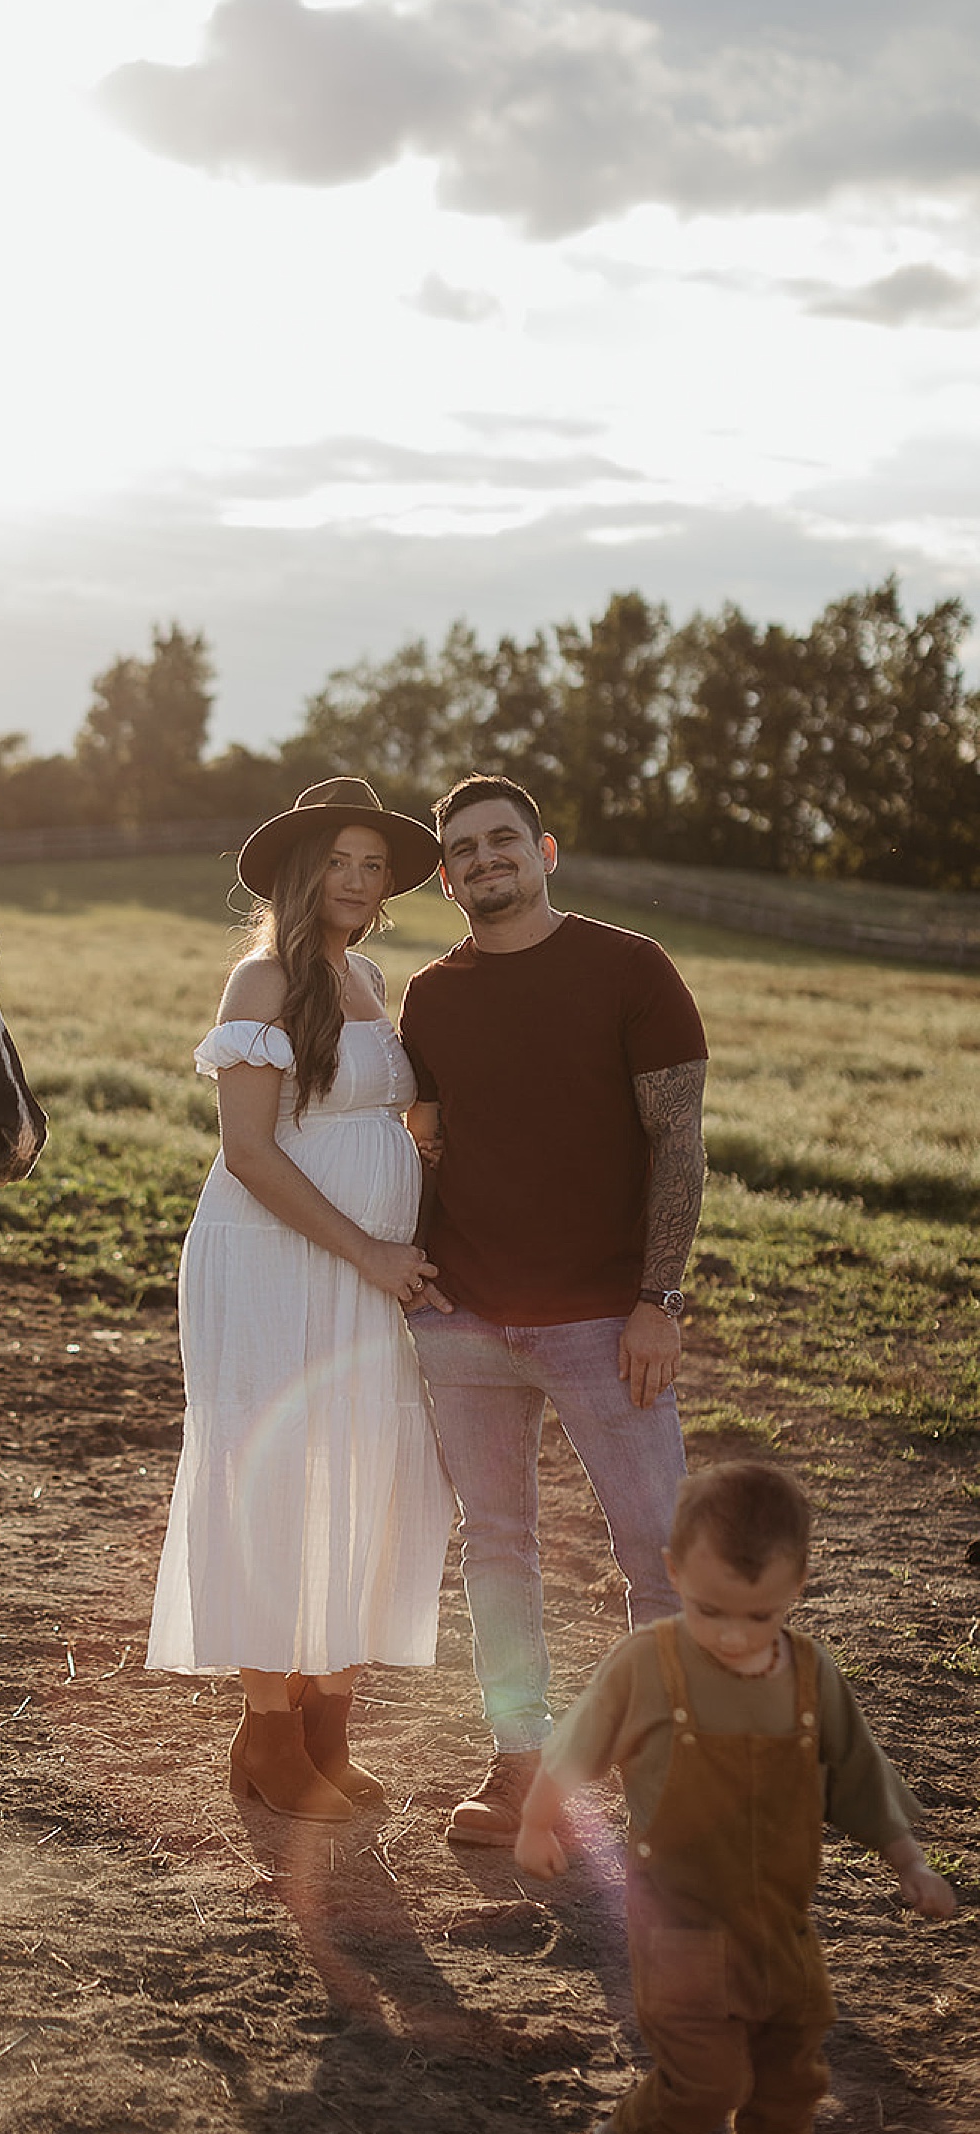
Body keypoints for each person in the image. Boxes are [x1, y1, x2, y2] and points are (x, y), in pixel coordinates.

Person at [399, 773, 708, 1845]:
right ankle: (518, 1762)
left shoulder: (631, 967)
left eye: (503, 841)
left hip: (600, 1321)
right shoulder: (430, 997)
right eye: (465, 851)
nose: (486, 860)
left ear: (546, 850)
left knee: (654, 1552)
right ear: (445, 878)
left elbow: (679, 1141)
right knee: (496, 1546)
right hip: (465, 1320)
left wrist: (656, 1301)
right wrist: (416, 1273)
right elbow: (426, 1144)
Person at [147, 778, 455, 1821]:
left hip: (366, 1263)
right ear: (300, 870)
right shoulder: (260, 981)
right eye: (341, 861)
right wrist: (369, 1247)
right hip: (273, 1251)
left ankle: (330, 1724)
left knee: (356, 1468)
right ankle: (269, 1731)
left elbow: (380, 1111)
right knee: (273, 1469)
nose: (361, 882)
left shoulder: (364, 972)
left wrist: (424, 1150)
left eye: (375, 865)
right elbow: (247, 1152)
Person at [515, 1460, 957, 2134]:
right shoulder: (646, 1666)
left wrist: (911, 1862)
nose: (732, 1635)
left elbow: (860, 1777)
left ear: (797, 1586)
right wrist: (537, 1823)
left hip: (782, 1926)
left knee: (789, 2081)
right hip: (678, 1925)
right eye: (709, 1610)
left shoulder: (813, 1677)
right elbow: (572, 1750)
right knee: (707, 2081)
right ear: (675, 1571)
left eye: (760, 1615)